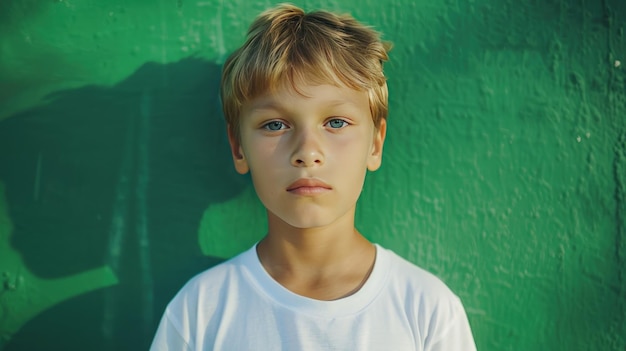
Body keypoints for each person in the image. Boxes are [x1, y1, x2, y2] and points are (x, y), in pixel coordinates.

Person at [151, 3, 476, 350]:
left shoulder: (426, 311)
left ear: (375, 144)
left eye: (336, 122)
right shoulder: (200, 312)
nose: (307, 151)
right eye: (275, 125)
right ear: (238, 148)